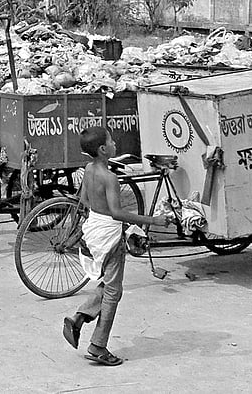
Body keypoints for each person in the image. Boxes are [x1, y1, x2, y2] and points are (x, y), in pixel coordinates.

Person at [63, 126, 173, 366]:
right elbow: (116, 213)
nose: (115, 144)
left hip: (94, 230)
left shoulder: (89, 169)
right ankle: (98, 346)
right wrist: (153, 220)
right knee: (113, 292)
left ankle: (80, 318)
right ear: (103, 149)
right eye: (111, 142)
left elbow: (84, 201)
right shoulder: (110, 177)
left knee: (111, 285)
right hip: (109, 237)